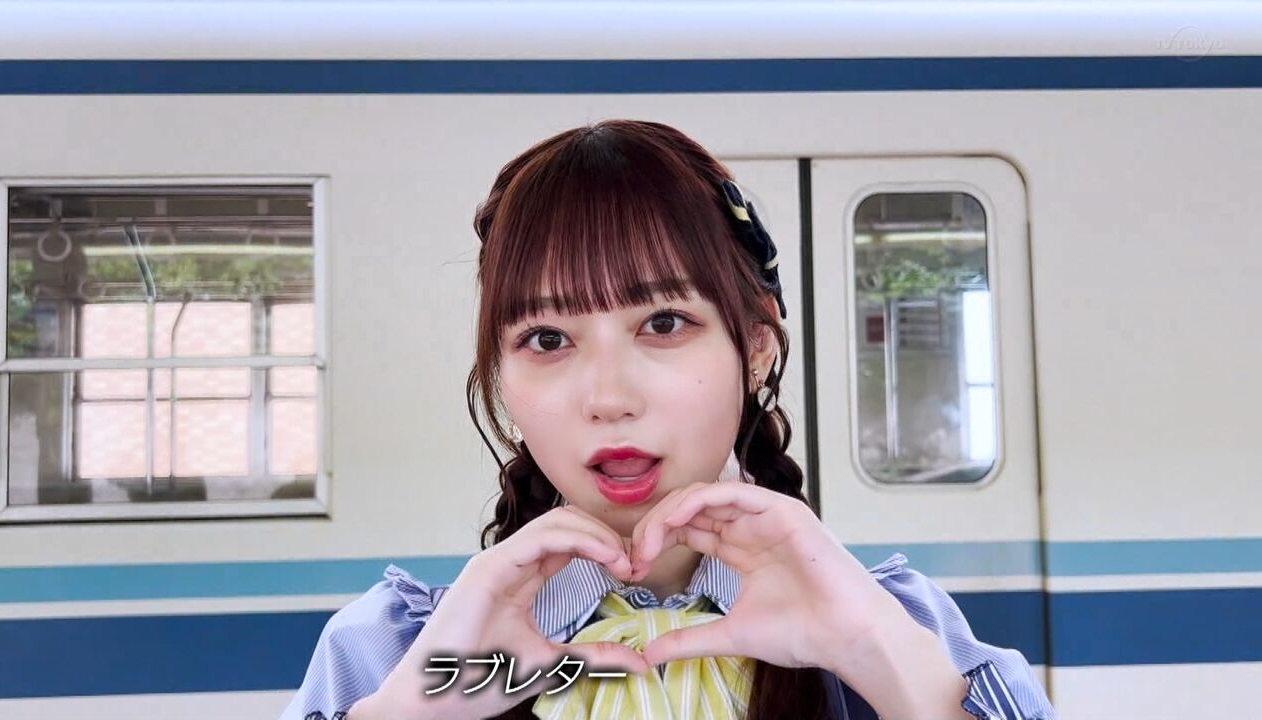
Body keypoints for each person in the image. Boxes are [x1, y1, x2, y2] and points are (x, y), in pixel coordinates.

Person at [281, 119, 1056, 720]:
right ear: (502, 381)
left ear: (755, 349)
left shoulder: (899, 630)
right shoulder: (390, 650)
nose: (608, 396)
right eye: (547, 339)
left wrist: (885, 661)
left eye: (662, 324)